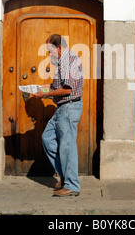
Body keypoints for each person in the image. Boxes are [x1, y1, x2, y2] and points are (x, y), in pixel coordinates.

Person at [32, 34, 84, 197]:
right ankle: (66, 176)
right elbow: (56, 86)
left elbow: (68, 90)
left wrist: (45, 96)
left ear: (59, 47)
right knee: (47, 138)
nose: (50, 54)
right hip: (62, 108)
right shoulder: (63, 61)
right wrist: (38, 88)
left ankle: (72, 185)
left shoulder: (68, 61)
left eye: (50, 50)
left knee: (67, 147)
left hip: (68, 107)